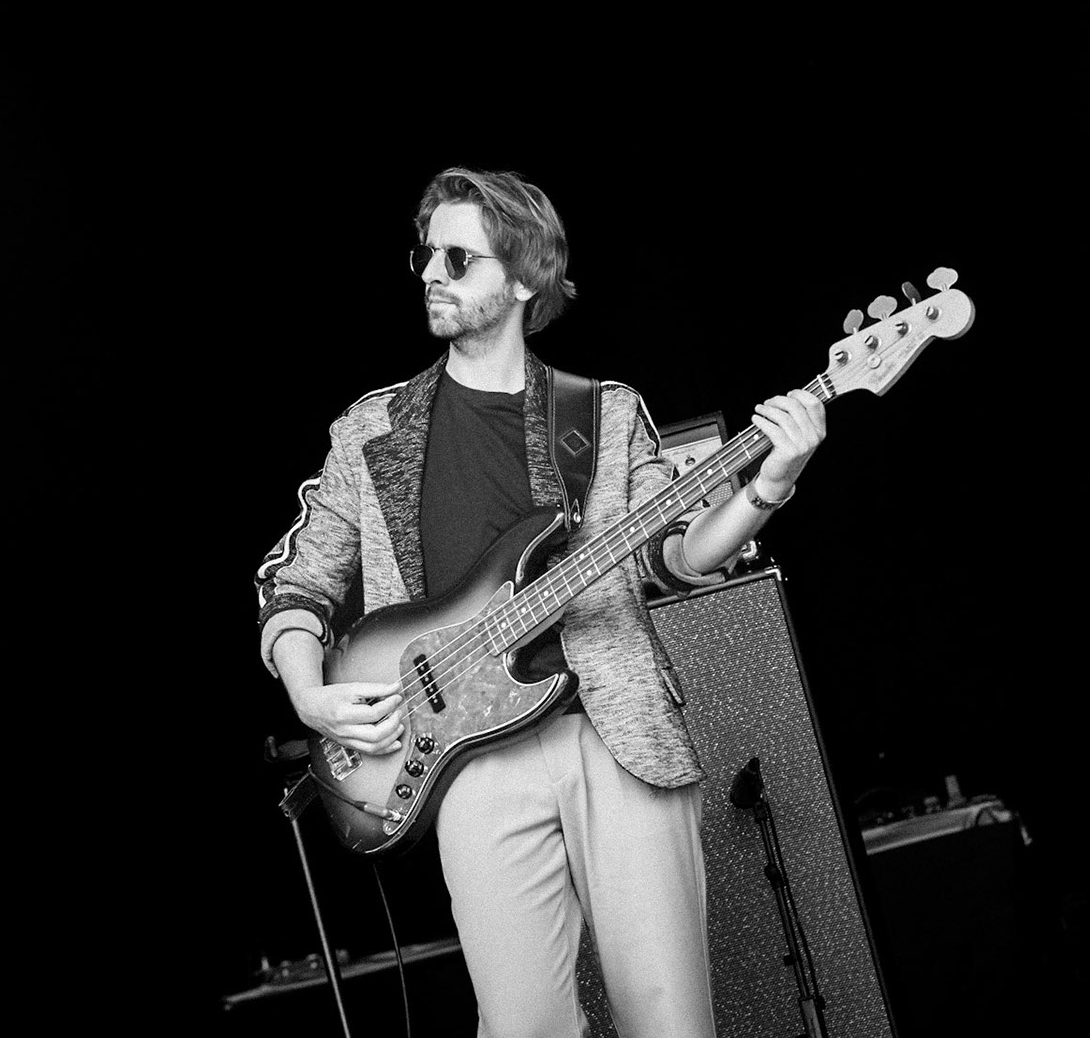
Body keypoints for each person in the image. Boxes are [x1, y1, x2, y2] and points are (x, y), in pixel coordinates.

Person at [255, 167, 827, 1037]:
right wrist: (309, 694)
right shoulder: (372, 430)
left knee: (669, 1020)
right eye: (424, 254)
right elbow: (296, 580)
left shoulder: (598, 412)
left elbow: (672, 560)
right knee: (522, 1026)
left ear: (524, 280)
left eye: (457, 257)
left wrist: (771, 480)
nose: (429, 273)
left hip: (615, 732)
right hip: (467, 757)